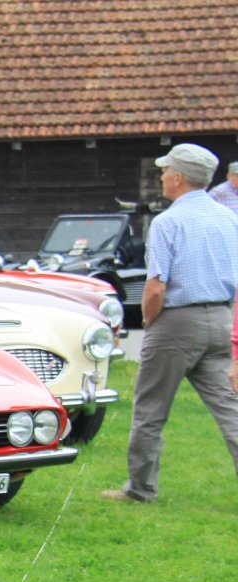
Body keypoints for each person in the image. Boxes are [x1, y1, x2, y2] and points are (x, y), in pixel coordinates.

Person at [102, 143, 238, 504]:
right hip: (222, 318)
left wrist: (150, 321)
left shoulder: (167, 222)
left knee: (151, 409)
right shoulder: (229, 219)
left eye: (164, 171)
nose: (161, 176)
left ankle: (140, 489)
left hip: (176, 321)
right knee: (231, 409)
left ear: (178, 178)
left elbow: (156, 287)